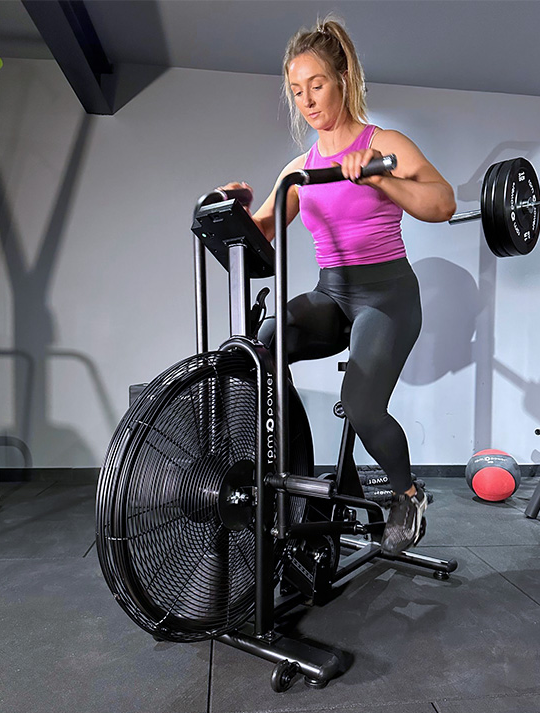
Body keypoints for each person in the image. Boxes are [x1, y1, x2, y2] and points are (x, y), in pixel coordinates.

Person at [220, 17, 456, 554]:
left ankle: (408, 494)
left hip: (389, 296)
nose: (307, 100)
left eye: (317, 85)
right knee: (263, 347)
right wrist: (230, 209)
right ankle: (307, 475)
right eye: (296, 91)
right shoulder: (300, 169)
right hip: (334, 293)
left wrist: (378, 175)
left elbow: (441, 204)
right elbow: (258, 233)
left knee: (363, 407)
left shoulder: (384, 143)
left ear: (343, 79)